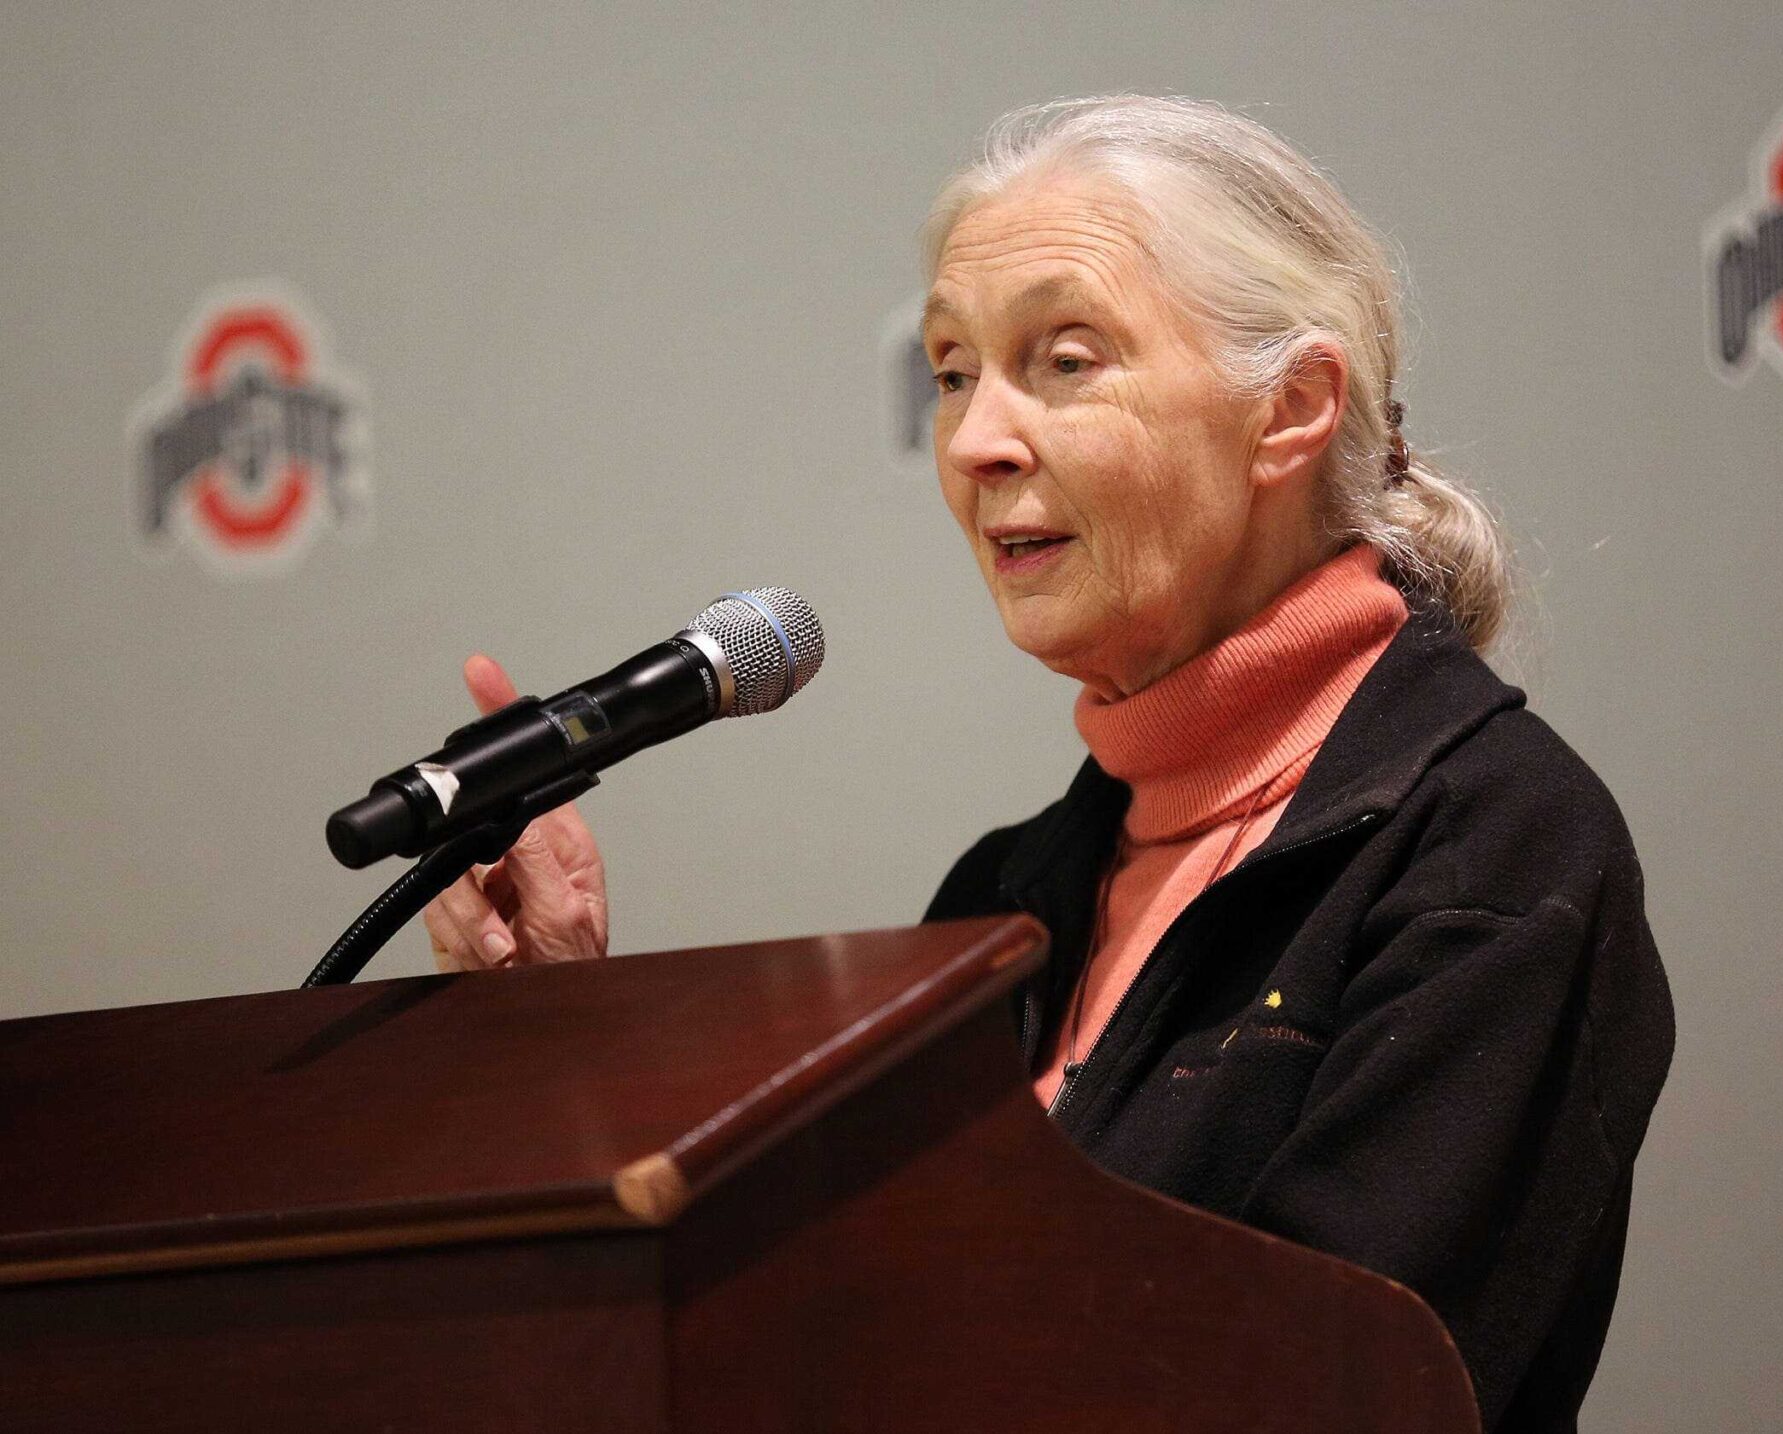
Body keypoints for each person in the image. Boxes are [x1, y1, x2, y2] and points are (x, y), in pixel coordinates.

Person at [426, 95, 1675, 1434]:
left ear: (1291, 410)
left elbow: (1338, 1385)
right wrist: (557, 1034)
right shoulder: (1005, 904)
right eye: (955, 371)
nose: (972, 442)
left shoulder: (1495, 848)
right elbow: (807, 1342)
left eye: (1065, 362)